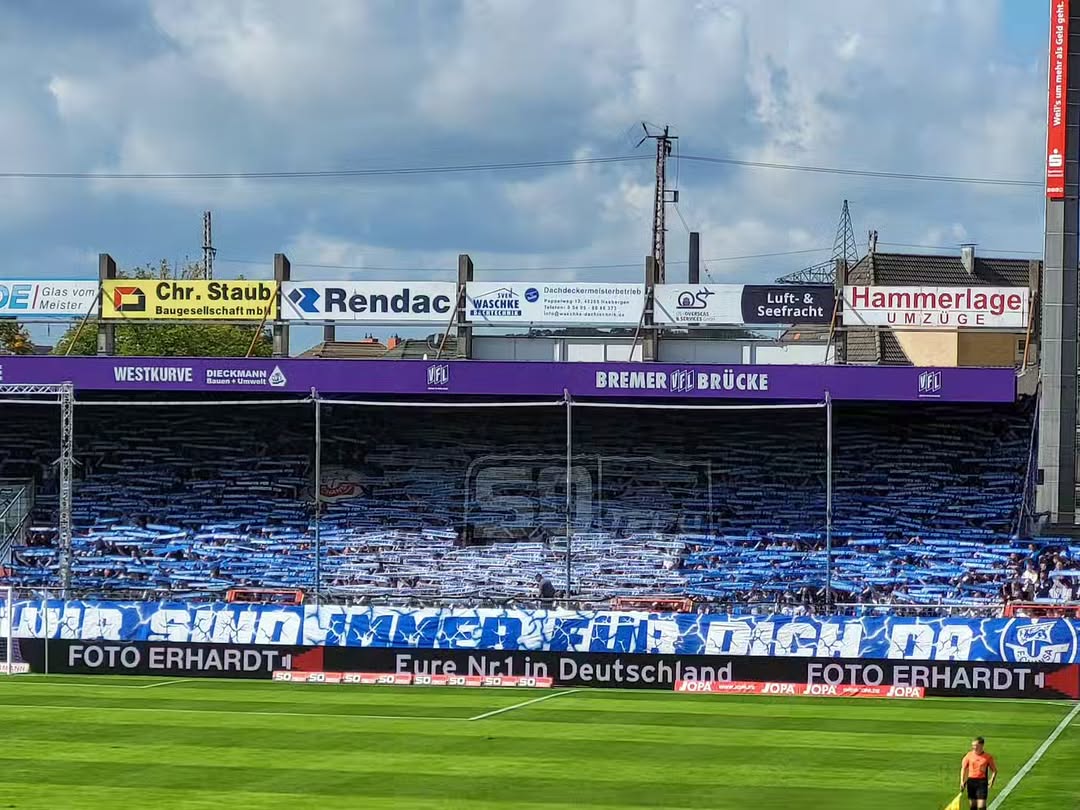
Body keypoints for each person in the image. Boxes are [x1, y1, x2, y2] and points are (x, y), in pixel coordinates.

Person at [960, 737, 997, 810]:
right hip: (971, 782)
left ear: (982, 745)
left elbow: (994, 770)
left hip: (982, 783)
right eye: (973, 745)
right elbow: (963, 768)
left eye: (976, 745)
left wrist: (991, 780)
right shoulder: (969, 755)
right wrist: (962, 780)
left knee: (981, 806)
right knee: (973, 806)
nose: (974, 747)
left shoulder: (987, 757)